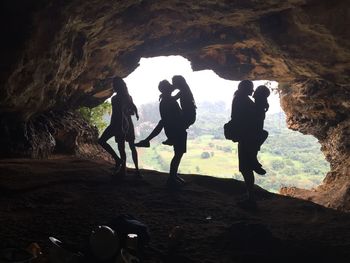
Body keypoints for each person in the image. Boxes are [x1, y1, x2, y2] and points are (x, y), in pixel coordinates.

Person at [136, 80, 187, 188]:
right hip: (177, 130)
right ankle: (172, 178)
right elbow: (174, 116)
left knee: (178, 153)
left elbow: (162, 122)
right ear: (168, 89)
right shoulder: (170, 101)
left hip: (172, 130)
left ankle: (173, 176)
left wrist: (148, 139)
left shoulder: (165, 101)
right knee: (178, 154)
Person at [98, 77, 140, 177]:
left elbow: (119, 113)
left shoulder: (115, 98)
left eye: (113, 84)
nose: (112, 86)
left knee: (105, 142)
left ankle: (120, 164)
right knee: (125, 146)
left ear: (117, 86)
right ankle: (125, 168)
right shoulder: (127, 96)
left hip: (116, 124)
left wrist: (120, 127)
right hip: (126, 123)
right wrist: (136, 113)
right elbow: (133, 107)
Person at [230, 80, 261, 204]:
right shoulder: (244, 101)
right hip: (247, 136)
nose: (252, 91)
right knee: (246, 167)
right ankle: (250, 195)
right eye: (251, 88)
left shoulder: (239, 98)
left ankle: (251, 197)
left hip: (245, 137)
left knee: (245, 168)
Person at [253, 85, 270, 153]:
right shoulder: (259, 108)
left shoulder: (256, 106)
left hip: (256, 130)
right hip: (256, 130)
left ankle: (254, 150)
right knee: (263, 134)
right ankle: (254, 149)